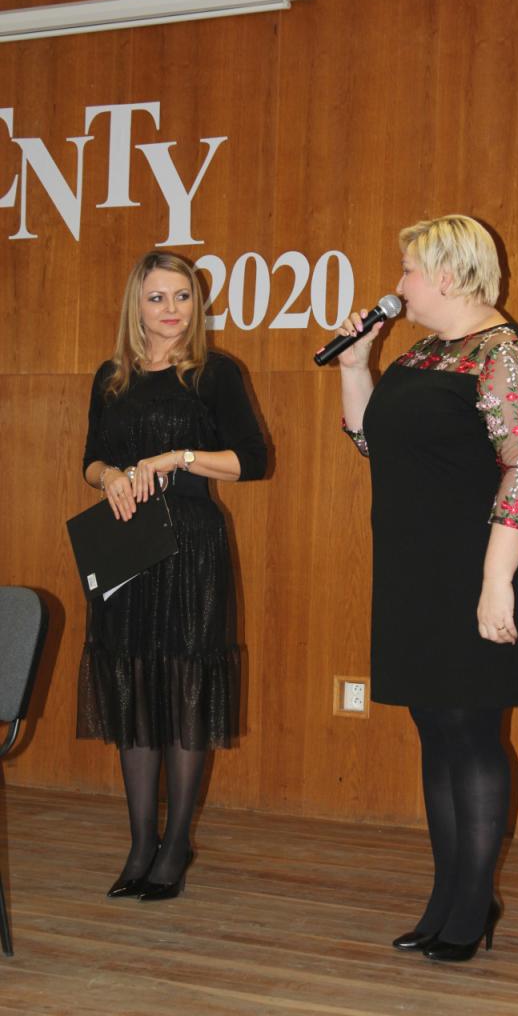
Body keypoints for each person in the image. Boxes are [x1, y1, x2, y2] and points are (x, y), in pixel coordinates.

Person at [336, 215, 518, 962]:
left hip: (480, 561)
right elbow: (373, 441)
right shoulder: (424, 354)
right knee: (435, 727)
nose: (397, 285)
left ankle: (472, 905)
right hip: (416, 569)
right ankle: (447, 896)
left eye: (407, 270)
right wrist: (355, 366)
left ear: (449, 274)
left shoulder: (506, 355)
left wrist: (496, 583)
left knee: (471, 729)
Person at [78, 251, 267, 902]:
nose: (171, 310)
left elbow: (252, 461)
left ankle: (176, 843)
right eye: (157, 297)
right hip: (125, 545)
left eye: (182, 297)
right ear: (137, 304)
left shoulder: (215, 374)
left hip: (190, 547)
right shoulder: (111, 377)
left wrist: (176, 458)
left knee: (185, 685)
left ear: (196, 304)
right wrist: (111, 477)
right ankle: (140, 844)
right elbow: (90, 460)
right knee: (132, 683)